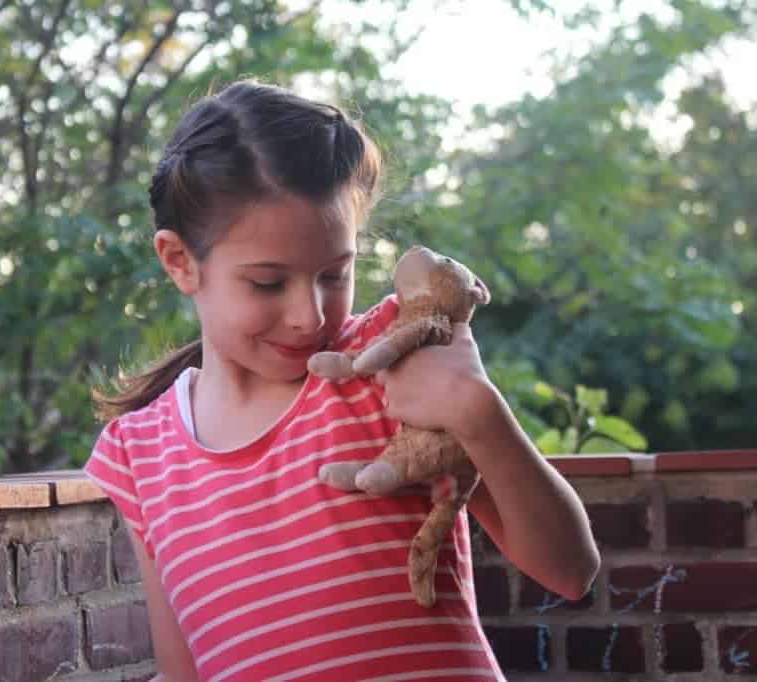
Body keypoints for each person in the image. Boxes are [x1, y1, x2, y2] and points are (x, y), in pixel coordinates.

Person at [85, 79, 600, 681]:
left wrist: (475, 408)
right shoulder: (139, 455)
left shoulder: (390, 359)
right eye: (268, 282)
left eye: (335, 273)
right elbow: (184, 673)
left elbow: (569, 569)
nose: (310, 314)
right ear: (179, 261)